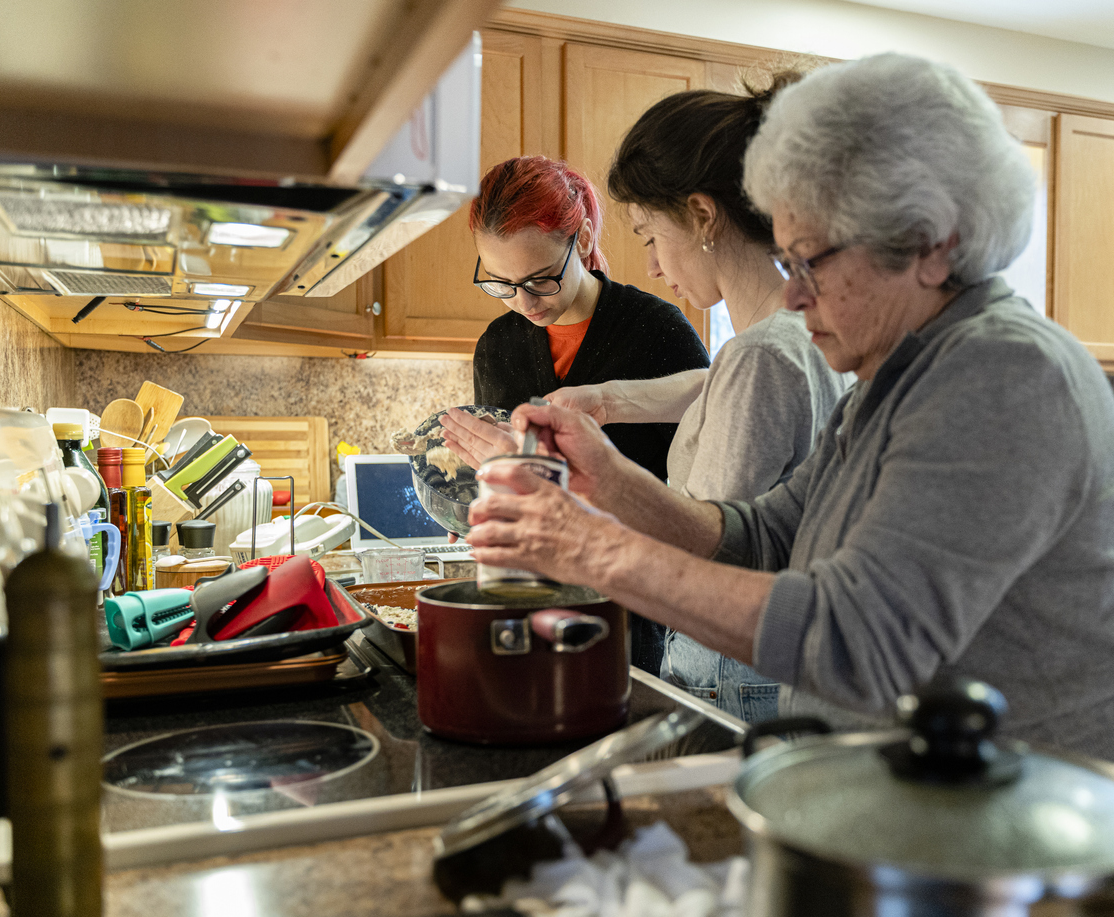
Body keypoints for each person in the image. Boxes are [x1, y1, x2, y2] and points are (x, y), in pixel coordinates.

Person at [463, 52, 1114, 759]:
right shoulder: (894, 376)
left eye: (811, 262)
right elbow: (764, 536)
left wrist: (588, 544)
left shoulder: (1002, 375)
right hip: (896, 811)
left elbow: (856, 638)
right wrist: (609, 485)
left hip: (999, 842)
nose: (794, 297)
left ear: (931, 244)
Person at [444, 83, 853, 723]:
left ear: (701, 215)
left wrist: (541, 481)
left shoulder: (757, 354)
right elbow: (718, 386)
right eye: (502, 285)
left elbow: (699, 541)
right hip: (754, 658)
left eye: (650, 235)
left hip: (726, 667)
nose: (652, 264)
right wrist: (606, 402)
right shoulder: (799, 336)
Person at [467, 155, 712, 674]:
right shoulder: (497, 346)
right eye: (501, 283)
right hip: (527, 598)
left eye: (539, 279)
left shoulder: (657, 331)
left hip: (634, 609)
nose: (523, 302)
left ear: (580, 239)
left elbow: (700, 495)